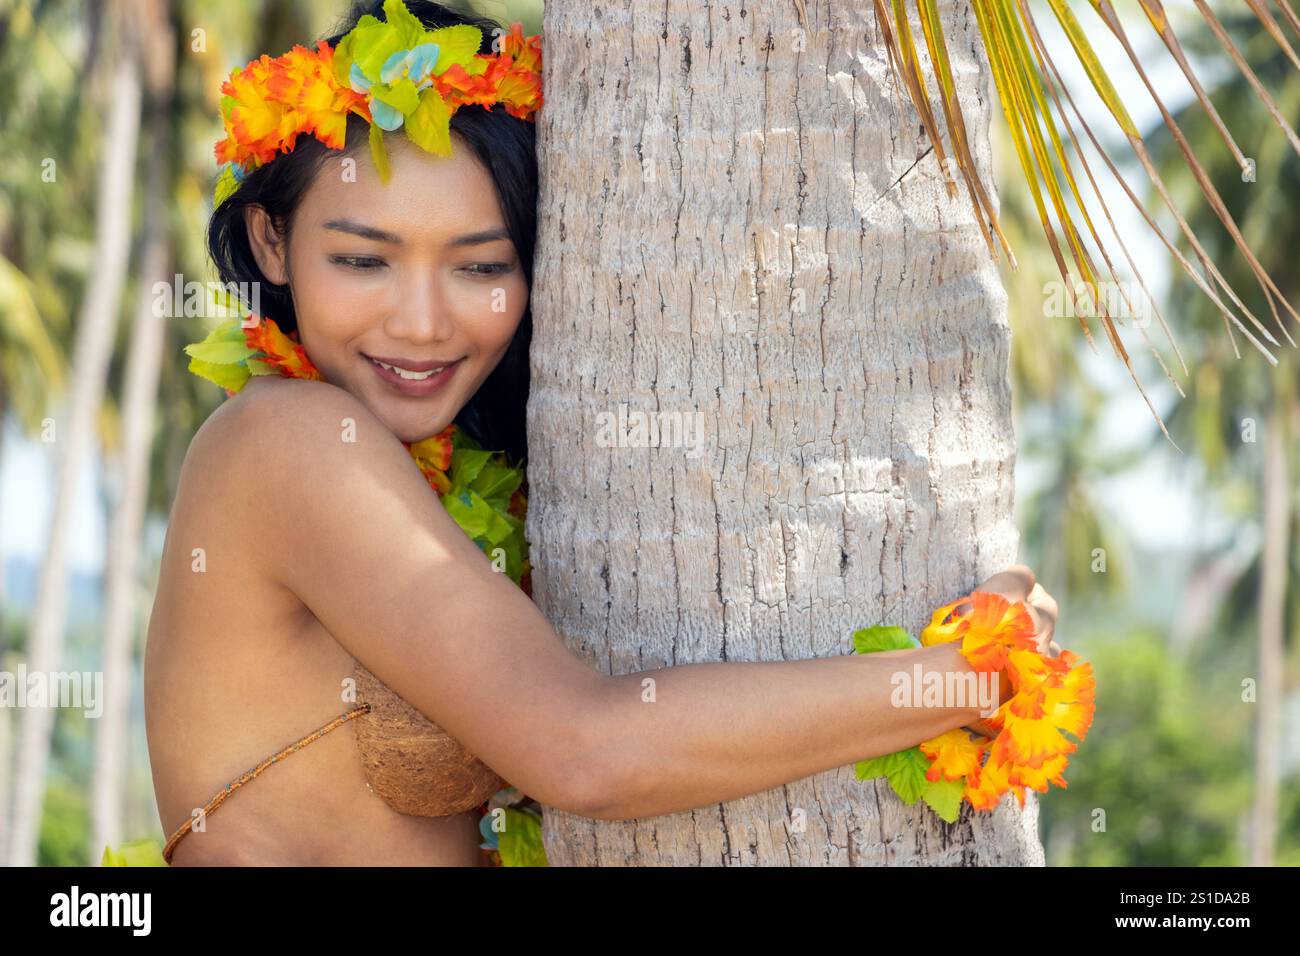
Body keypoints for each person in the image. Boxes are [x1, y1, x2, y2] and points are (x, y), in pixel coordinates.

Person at [141, 0, 1065, 867]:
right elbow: (586, 753)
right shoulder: (284, 441)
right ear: (270, 243)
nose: (421, 323)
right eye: (362, 259)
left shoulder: (460, 486)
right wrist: (963, 680)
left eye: (481, 267)